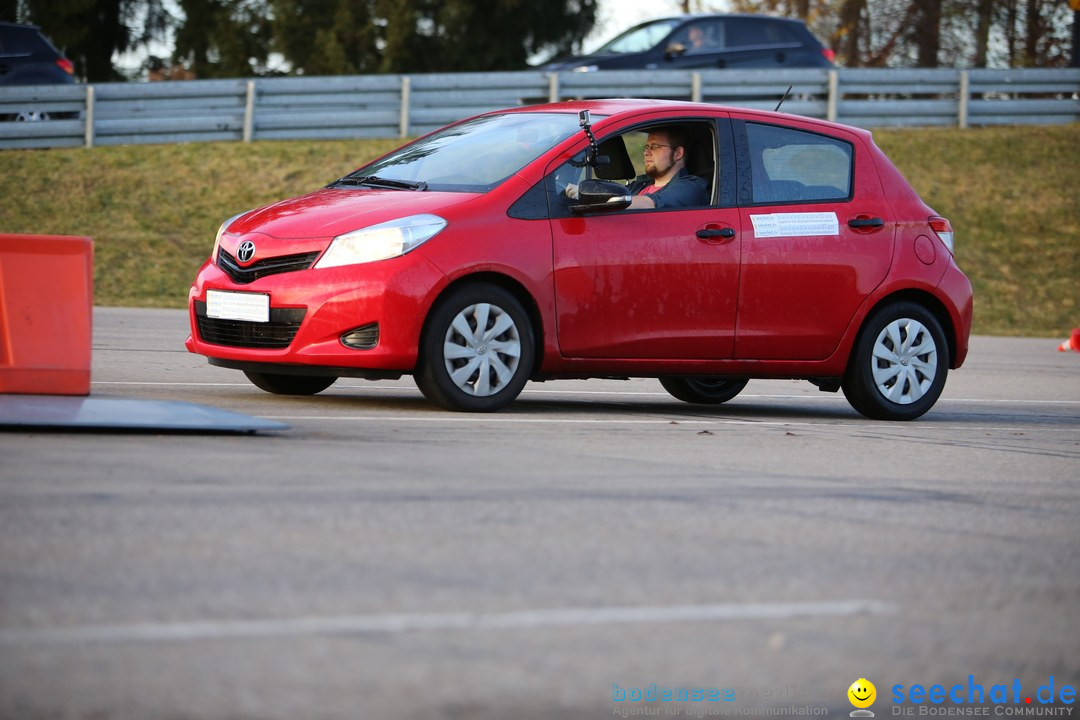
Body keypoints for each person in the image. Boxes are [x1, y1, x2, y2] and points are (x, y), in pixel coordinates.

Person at [624, 126, 708, 209]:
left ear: (678, 153)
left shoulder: (690, 187)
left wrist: (617, 203)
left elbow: (653, 204)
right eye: (646, 147)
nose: (646, 153)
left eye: (655, 147)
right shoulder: (637, 185)